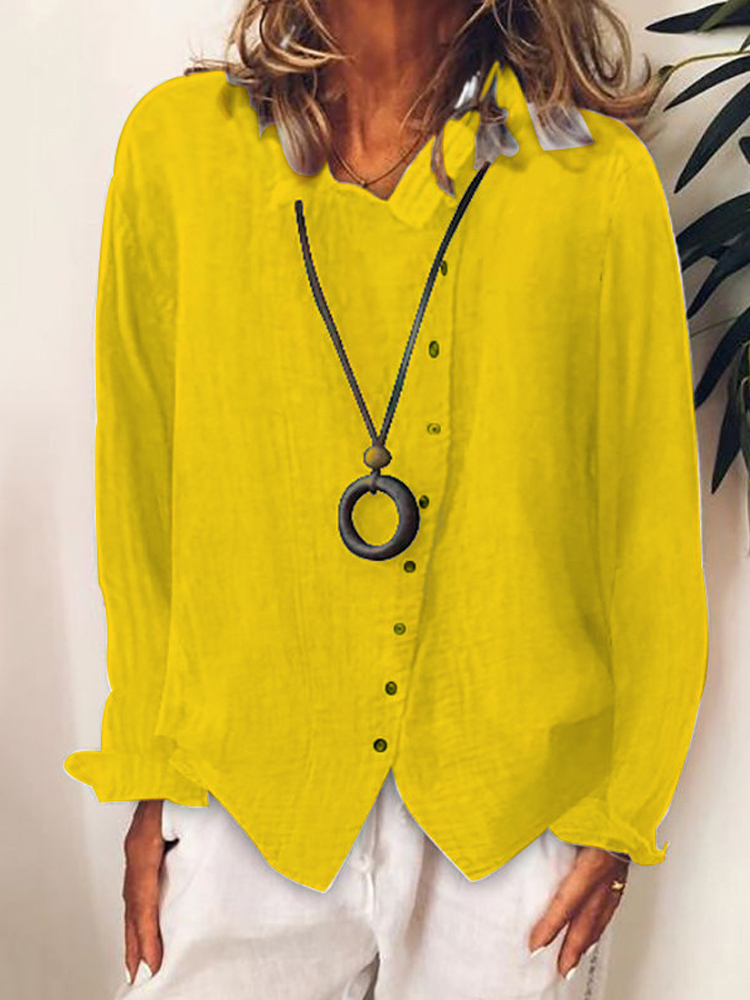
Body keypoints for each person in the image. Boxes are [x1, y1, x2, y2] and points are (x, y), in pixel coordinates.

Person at [64, 1, 710, 997]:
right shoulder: (177, 152)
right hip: (246, 793)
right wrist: (150, 773)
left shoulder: (594, 179)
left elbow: (648, 520)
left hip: (513, 815)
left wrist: (623, 807)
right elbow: (142, 490)